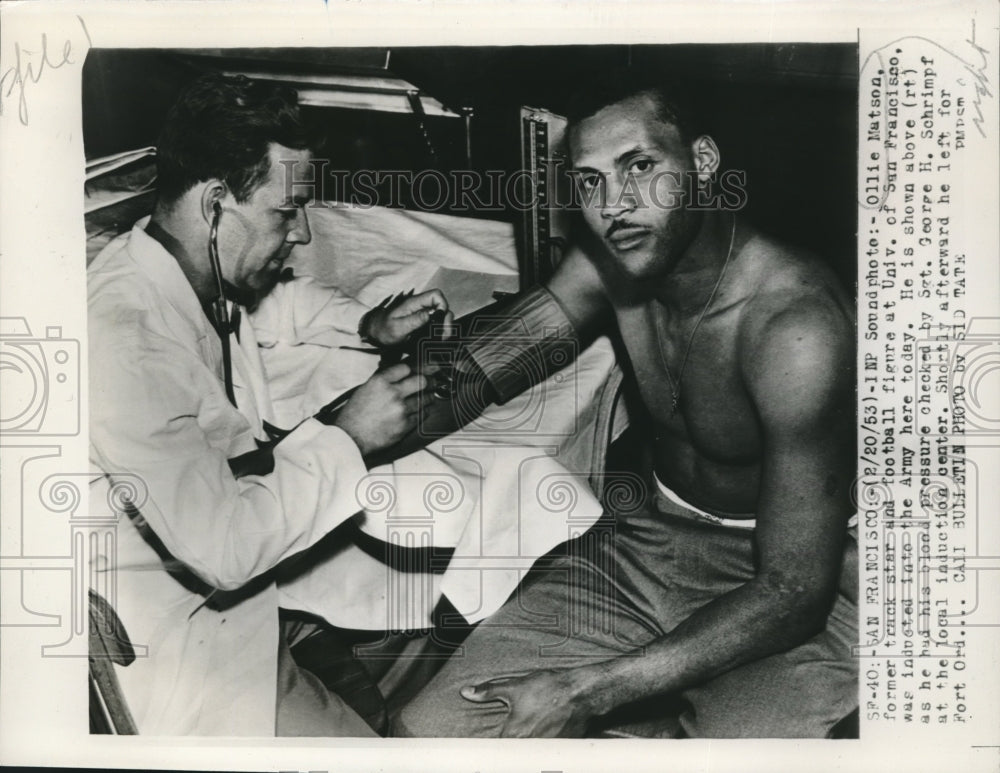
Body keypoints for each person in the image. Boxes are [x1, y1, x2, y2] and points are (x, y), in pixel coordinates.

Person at [396, 74, 858, 738]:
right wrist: (308, 445)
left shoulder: (794, 325)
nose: (614, 205)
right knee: (432, 728)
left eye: (639, 167)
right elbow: (476, 371)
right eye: (589, 182)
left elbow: (792, 592)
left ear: (701, 163)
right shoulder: (608, 266)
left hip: (796, 570)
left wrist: (590, 690)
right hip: (651, 542)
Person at [88, 72, 451, 735]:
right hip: (193, 662)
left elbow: (274, 302)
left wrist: (365, 325)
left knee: (408, 627)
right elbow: (225, 550)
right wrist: (350, 434)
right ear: (216, 203)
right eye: (286, 211)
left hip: (250, 614)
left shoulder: (184, 263)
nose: (304, 232)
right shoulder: (123, 346)